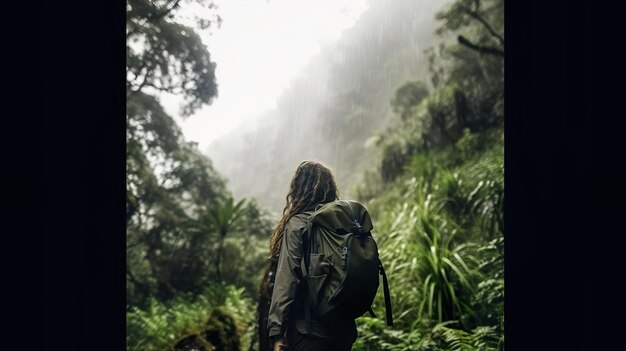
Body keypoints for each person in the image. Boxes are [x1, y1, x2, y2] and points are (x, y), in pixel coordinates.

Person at [267, 160, 357, 351]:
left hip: (307, 333)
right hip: (343, 333)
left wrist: (277, 331)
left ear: (299, 189)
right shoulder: (344, 225)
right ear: (330, 189)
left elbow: (286, 280)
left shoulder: (298, 224)